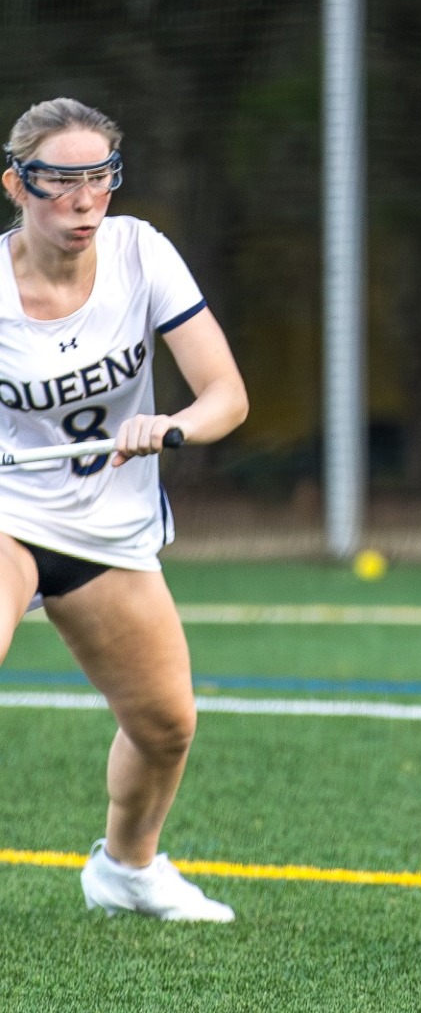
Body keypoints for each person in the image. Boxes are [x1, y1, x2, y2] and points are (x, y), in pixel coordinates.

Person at [0, 98, 249, 921]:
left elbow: (227, 397)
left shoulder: (141, 252)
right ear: (16, 185)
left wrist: (172, 425)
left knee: (166, 725)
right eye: (59, 182)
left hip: (109, 525)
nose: (83, 202)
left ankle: (126, 870)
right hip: (8, 515)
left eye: (99, 179)